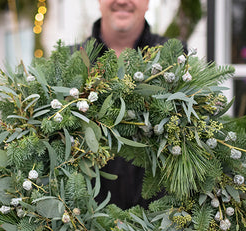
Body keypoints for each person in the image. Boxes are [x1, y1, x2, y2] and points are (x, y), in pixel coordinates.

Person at [79, 0, 187, 210]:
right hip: (86, 219)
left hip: (160, 219)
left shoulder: (174, 58)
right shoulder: (72, 59)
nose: (122, 1)